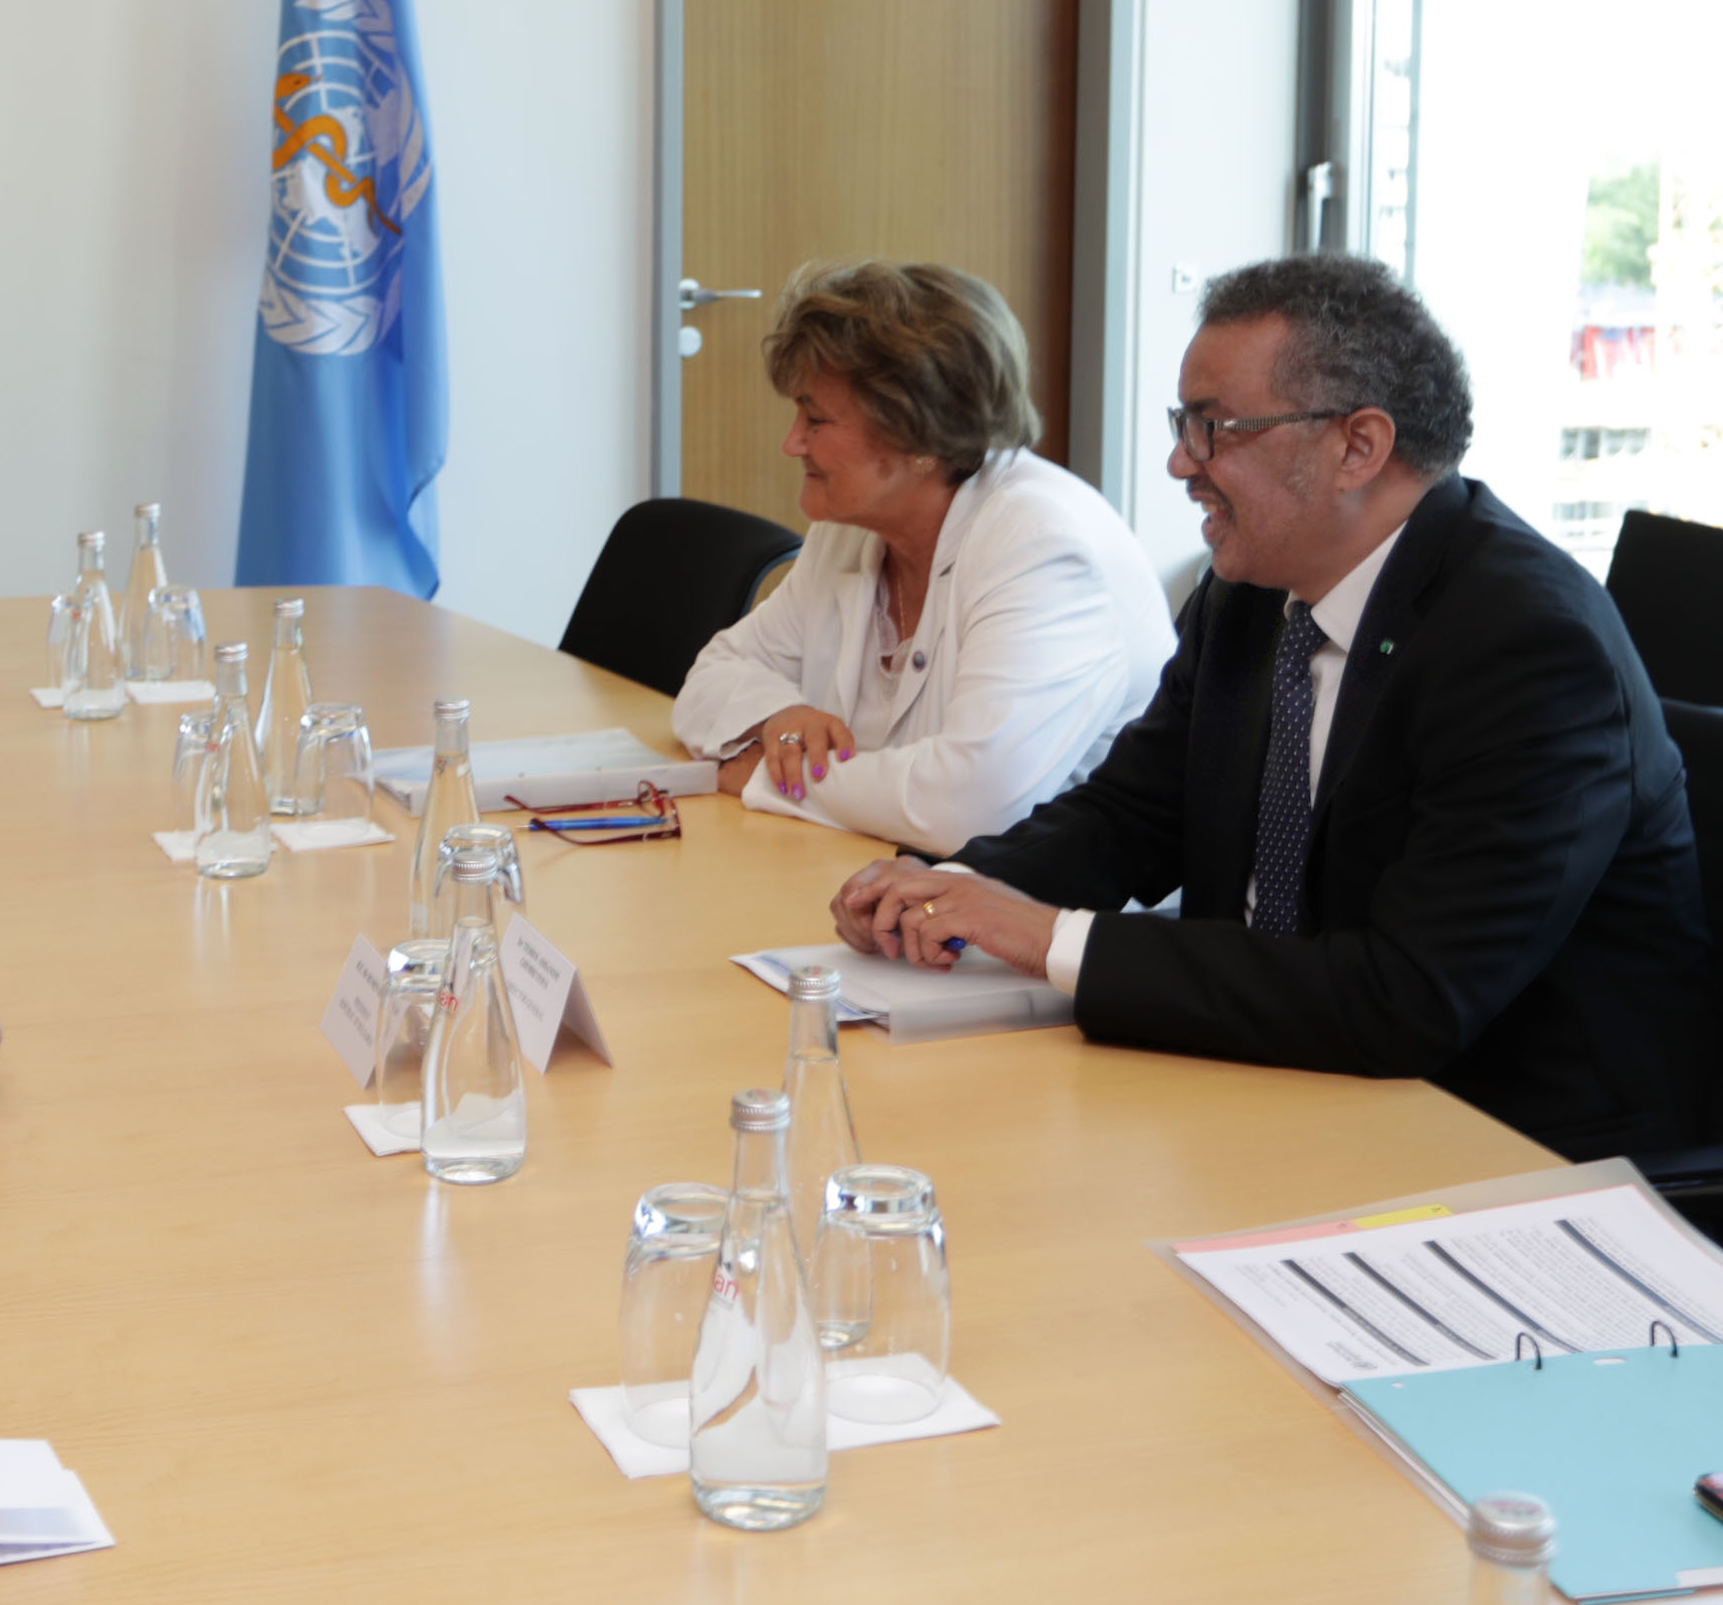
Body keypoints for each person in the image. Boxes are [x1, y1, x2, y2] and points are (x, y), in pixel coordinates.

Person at [835, 253, 1711, 1161]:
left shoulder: (1527, 644)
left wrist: (1050, 937)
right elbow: (1133, 813)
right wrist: (952, 891)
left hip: (1509, 1138)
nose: (1181, 462)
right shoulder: (1253, 590)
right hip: (1282, 1072)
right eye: (1183, 424)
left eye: (1213, 427)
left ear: (1357, 447)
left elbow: (1409, 998)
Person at [673, 259, 1176, 855]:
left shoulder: (1043, 546)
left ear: (917, 435)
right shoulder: (853, 528)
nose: (792, 442)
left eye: (816, 419)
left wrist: (765, 775)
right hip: (877, 865)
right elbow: (710, 680)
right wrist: (777, 716)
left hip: (1040, 898)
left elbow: (967, 807)